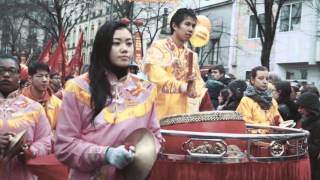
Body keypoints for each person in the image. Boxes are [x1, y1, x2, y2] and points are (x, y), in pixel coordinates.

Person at [54, 21, 162, 180]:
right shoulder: (78, 88)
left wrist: (141, 155)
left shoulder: (145, 90)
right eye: (116, 43)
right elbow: (65, 146)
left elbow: (155, 136)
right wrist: (106, 154)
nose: (125, 49)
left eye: (129, 43)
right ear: (102, 47)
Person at [143, 8, 211, 119]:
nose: (191, 29)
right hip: (159, 113)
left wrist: (194, 89)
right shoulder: (158, 47)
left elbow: (198, 83)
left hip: (184, 115)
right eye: (187, 24)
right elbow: (157, 78)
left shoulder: (191, 55)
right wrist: (183, 87)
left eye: (193, 26)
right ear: (174, 26)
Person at [0, 55, 51, 179]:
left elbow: (46, 141)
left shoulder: (34, 108)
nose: (6, 74)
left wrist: (29, 151)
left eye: (12, 71)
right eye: (1, 70)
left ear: (19, 76)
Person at [22, 63, 61, 130]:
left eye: (46, 76)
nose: (44, 80)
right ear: (30, 79)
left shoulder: (57, 103)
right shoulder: (20, 101)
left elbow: (62, 129)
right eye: (40, 76)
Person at [296, 92, 320, 180]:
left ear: (310, 108)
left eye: (302, 107)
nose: (299, 110)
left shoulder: (317, 124)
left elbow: (316, 149)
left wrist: (298, 141)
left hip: (314, 167)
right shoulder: (306, 120)